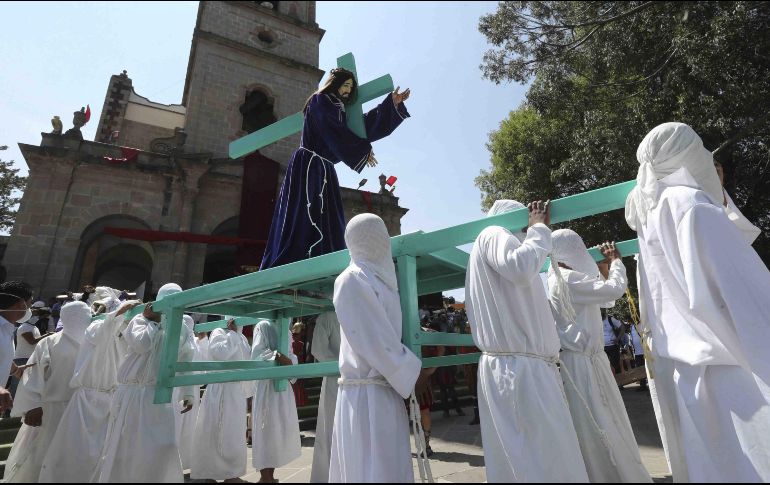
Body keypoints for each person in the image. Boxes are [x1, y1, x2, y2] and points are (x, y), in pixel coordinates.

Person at [626, 122, 770, 482]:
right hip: (735, 374)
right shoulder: (692, 206)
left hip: (691, 378)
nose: (707, 155)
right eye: (701, 146)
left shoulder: (651, 219)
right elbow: (746, 298)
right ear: (684, 154)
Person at [465, 199, 588, 482]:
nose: (530, 230)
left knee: (547, 455)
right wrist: (540, 230)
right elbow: (519, 267)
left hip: (525, 367)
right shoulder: (493, 233)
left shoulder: (498, 244)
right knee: (537, 458)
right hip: (517, 370)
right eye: (526, 224)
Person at [259, 68, 411, 270]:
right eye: (345, 85)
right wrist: (361, 149)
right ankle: (294, 265)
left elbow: (358, 128)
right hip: (309, 166)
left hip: (324, 168)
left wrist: (391, 105)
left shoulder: (337, 108)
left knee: (328, 220)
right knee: (305, 215)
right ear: (335, 83)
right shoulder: (320, 100)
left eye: (350, 87)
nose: (348, 90)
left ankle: (323, 267)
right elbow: (331, 128)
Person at [329, 214, 430, 483]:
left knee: (390, 468)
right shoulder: (351, 279)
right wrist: (412, 372)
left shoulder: (385, 283)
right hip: (365, 396)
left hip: (385, 391)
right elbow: (376, 342)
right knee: (369, 469)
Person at [547, 230, 651, 482]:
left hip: (581, 361)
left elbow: (604, 302)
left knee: (592, 422)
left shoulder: (558, 278)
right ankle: (613, 474)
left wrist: (603, 271)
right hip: (585, 362)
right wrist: (616, 261)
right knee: (603, 420)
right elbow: (613, 291)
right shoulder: (569, 278)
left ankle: (601, 473)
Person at [95, 283, 197, 483]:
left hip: (161, 395)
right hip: (134, 393)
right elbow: (142, 345)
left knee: (163, 446)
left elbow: (186, 359)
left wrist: (188, 392)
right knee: (129, 446)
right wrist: (152, 321)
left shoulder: (183, 328)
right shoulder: (139, 321)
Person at [39, 297, 141, 483]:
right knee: (80, 451)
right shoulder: (95, 329)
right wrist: (121, 309)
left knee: (103, 451)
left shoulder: (117, 334)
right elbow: (106, 328)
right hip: (87, 402)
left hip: (110, 399)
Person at [3, 301, 91, 482]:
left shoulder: (94, 340)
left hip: (83, 408)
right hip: (51, 409)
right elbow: (34, 375)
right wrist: (33, 406)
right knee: (44, 452)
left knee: (73, 453)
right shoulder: (50, 342)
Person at [191, 318, 252, 483]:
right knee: (216, 430)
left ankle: (231, 473)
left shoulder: (243, 337)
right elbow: (221, 354)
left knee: (234, 432)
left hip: (236, 390)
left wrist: (248, 390)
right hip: (221, 389)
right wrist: (232, 334)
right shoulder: (219, 332)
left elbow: (247, 362)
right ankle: (210, 472)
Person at [250, 320, 302, 483]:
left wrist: (290, 363)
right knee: (266, 429)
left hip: (282, 386)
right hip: (267, 385)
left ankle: (270, 476)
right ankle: (265, 477)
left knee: (277, 430)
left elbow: (291, 354)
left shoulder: (284, 326)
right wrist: (277, 356)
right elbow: (257, 354)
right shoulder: (263, 324)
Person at [309, 311, 341, 483]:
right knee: (332, 429)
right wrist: (345, 365)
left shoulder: (328, 317)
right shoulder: (328, 317)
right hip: (337, 379)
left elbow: (318, 349)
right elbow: (318, 349)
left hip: (347, 378)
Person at [0, 281, 36, 414]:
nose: (30, 308)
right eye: (30, 303)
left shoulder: (8, 328)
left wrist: (16, 370)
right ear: (21, 303)